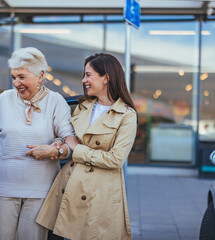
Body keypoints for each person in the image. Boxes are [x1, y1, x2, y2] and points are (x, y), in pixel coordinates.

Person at [0, 47, 73, 240]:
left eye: (22, 77)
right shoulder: (4, 100)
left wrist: (54, 150)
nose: (16, 83)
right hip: (2, 189)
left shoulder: (55, 102)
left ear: (40, 75)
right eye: (13, 77)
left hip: (40, 190)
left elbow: (70, 142)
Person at [35, 53, 138, 239]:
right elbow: (69, 142)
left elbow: (115, 159)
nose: (84, 80)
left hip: (99, 193)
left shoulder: (126, 115)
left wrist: (76, 147)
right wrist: (59, 144)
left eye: (89, 75)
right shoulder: (83, 107)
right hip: (69, 185)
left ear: (106, 77)